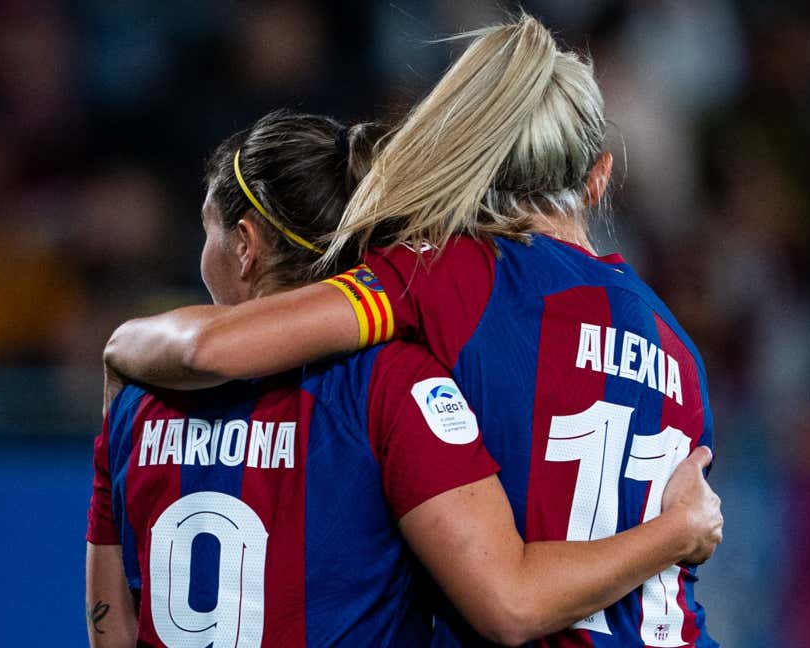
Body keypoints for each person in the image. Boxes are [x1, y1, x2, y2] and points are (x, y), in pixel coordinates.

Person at [106, 15, 722, 644]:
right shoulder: (677, 344)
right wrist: (679, 532)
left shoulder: (452, 274)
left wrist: (121, 348)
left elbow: (218, 348)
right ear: (598, 177)